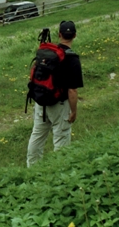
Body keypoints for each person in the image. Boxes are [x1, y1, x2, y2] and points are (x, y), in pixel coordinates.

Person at [26, 20, 83, 167]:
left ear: (59, 35)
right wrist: (74, 111)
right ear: (74, 35)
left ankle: (31, 168)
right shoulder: (72, 59)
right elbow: (72, 90)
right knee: (61, 139)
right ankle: (59, 170)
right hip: (60, 104)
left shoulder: (48, 53)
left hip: (41, 102)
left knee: (37, 137)